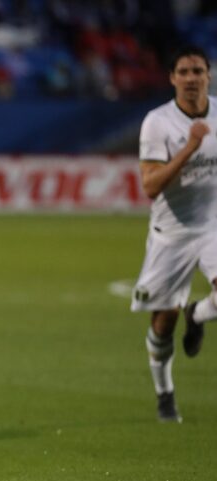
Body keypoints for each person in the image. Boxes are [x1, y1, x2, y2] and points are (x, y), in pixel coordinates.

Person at [131, 45, 217, 423]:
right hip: (172, 232)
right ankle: (165, 392)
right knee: (163, 321)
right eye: (183, 71)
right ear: (172, 78)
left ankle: (198, 314)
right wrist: (191, 147)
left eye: (198, 70)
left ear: (208, 75)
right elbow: (150, 186)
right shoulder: (158, 122)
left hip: (213, 226)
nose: (191, 78)